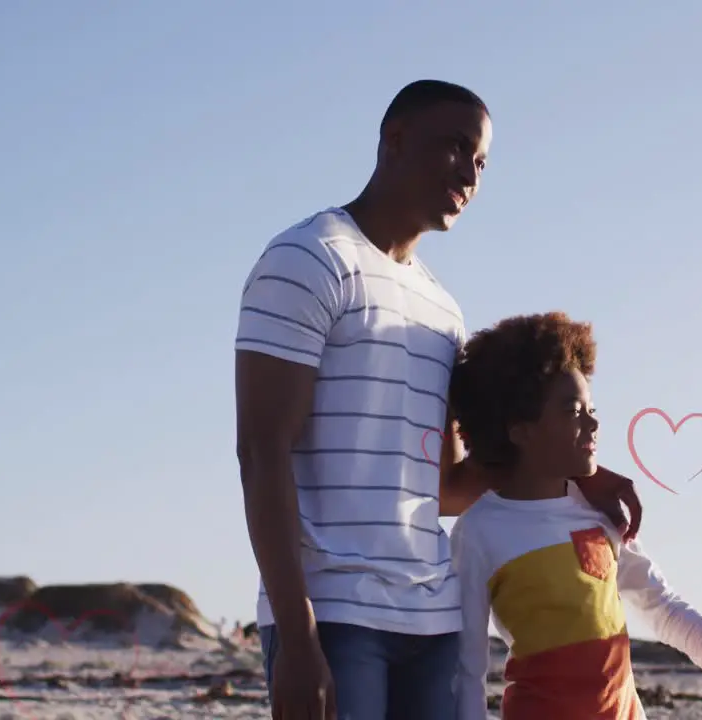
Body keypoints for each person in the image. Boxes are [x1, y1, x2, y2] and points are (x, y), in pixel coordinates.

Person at [233, 80, 645, 720]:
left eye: (480, 162)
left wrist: (578, 473)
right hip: (335, 614)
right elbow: (261, 450)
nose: (469, 173)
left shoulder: (443, 311)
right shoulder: (309, 259)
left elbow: (447, 486)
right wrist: (296, 633)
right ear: (393, 140)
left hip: (434, 617)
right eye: (455, 147)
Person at [448, 311, 702, 720]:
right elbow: (465, 669)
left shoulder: (598, 512)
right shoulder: (479, 531)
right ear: (519, 430)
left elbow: (660, 605)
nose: (594, 422)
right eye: (572, 410)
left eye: (591, 408)